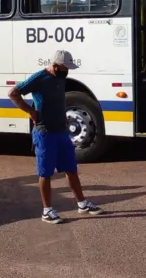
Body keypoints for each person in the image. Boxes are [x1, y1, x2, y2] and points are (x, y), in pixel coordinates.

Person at [7, 50, 103, 223]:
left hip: (61, 131)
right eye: (66, 67)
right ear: (56, 65)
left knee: (71, 169)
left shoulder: (60, 78)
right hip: (45, 133)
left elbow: (57, 100)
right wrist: (31, 112)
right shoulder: (39, 78)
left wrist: (63, 117)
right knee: (45, 173)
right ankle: (47, 211)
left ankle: (82, 203)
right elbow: (13, 93)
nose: (68, 71)